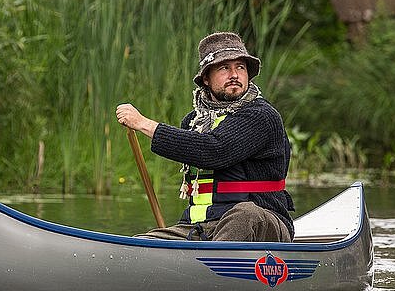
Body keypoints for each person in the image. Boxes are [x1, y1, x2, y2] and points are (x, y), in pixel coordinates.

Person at [115, 31, 294, 242]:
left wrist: (144, 124)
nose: (234, 75)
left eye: (240, 67)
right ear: (206, 79)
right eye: (224, 68)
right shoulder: (192, 122)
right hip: (200, 228)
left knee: (244, 214)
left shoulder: (261, 115)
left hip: (264, 221)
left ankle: (210, 266)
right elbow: (200, 149)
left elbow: (215, 150)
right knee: (139, 246)